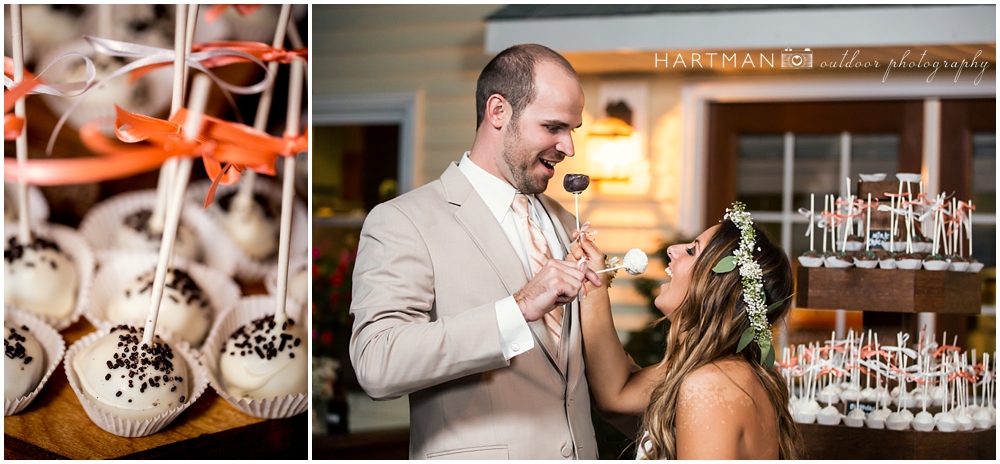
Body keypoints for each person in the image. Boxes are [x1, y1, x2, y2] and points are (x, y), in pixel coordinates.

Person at [350, 43, 620, 459]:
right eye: (553, 127)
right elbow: (376, 363)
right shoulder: (403, 221)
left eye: (573, 130)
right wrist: (519, 307)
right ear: (498, 112)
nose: (569, 148)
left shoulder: (567, 223)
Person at [572, 203, 806, 459]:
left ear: (716, 289)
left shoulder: (710, 385)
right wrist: (593, 283)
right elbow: (615, 393)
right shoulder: (714, 369)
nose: (673, 250)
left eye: (692, 251)